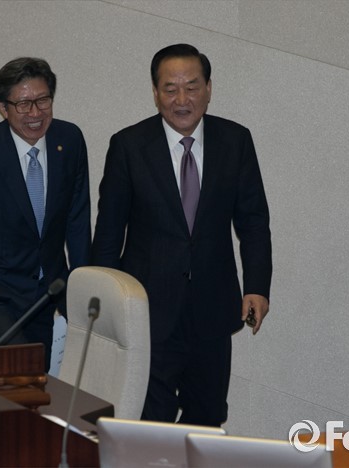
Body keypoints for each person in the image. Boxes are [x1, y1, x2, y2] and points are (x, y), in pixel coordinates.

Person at [92, 44, 272, 426]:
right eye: (170, 89)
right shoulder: (128, 146)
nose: (182, 99)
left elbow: (254, 221)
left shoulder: (235, 141)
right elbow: (108, 233)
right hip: (148, 313)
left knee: (207, 419)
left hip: (213, 310)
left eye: (191, 87)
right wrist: (105, 305)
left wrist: (257, 286)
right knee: (149, 423)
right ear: (155, 93)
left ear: (208, 89)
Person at [0, 57, 91, 368]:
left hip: (47, 291)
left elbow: (77, 221)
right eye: (23, 104)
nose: (35, 113)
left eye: (43, 100)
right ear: (2, 107)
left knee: (38, 377)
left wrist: (83, 292)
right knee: (22, 367)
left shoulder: (69, 141)